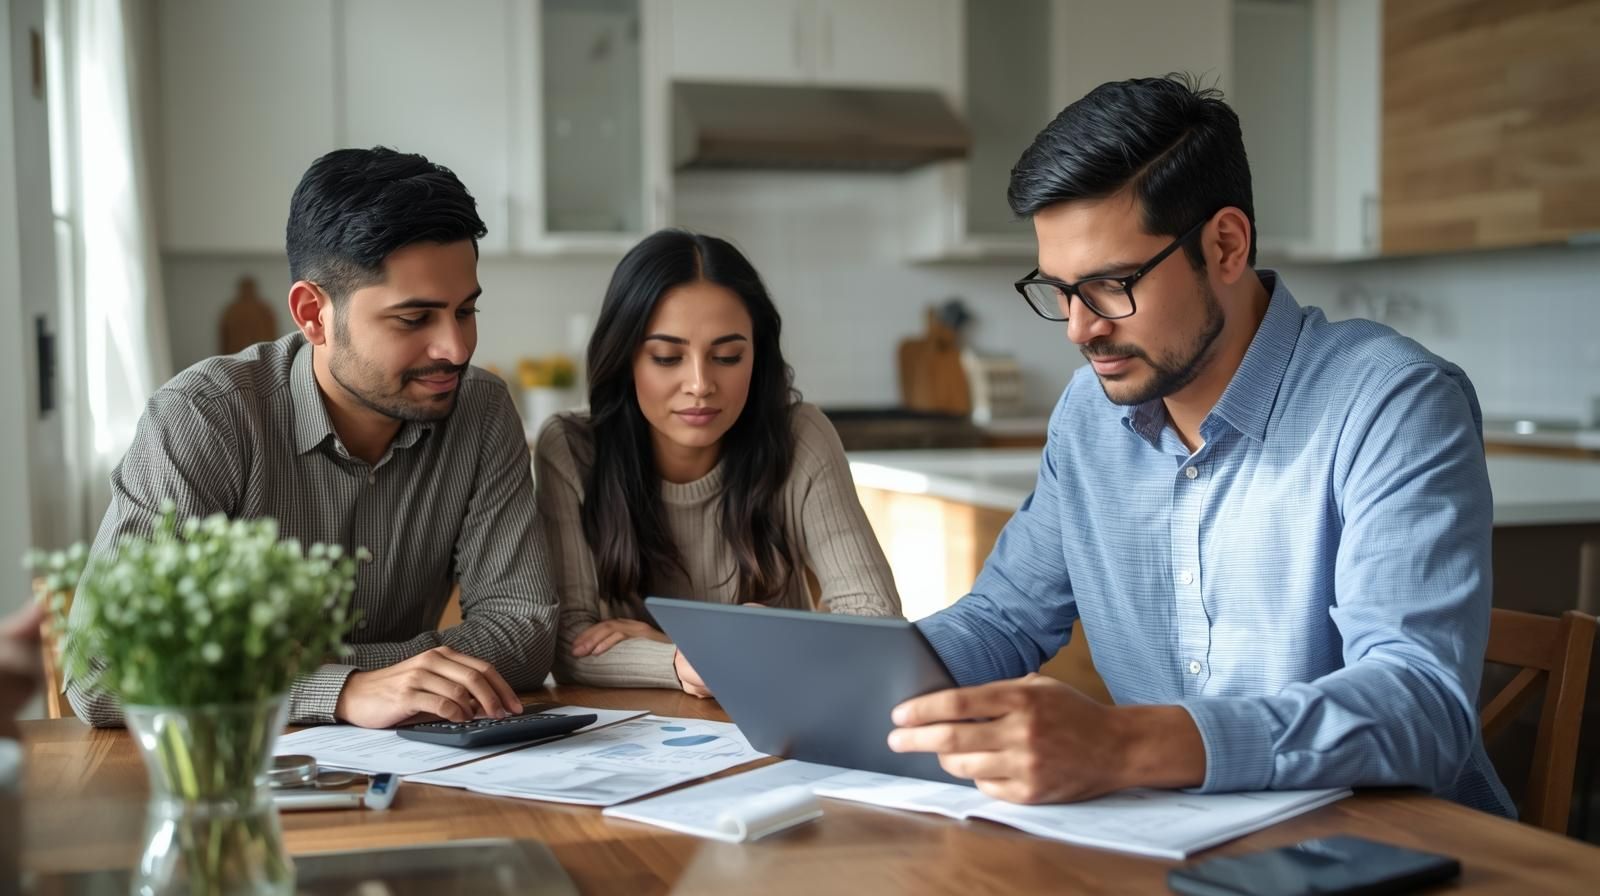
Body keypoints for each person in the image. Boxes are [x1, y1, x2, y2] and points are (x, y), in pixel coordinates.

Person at [886, 75, 1513, 817]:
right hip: (1180, 845)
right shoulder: (1089, 415)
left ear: (1224, 244)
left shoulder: (1392, 402)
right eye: (1059, 290)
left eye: (1111, 284)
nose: (1081, 329)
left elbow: (1420, 708)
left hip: (1395, 854)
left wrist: (1125, 746)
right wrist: (830, 679)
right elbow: (1002, 619)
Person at [68, 147, 558, 728]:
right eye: (413, 319)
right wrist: (341, 690)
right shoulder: (203, 418)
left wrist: (327, 674)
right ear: (313, 313)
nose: (455, 348)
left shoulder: (481, 411)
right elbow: (102, 671)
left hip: (415, 774)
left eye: (466, 311)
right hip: (232, 778)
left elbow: (523, 633)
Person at [535, 229, 901, 696]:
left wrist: (676, 648)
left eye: (727, 357)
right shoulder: (571, 449)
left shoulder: (800, 437)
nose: (700, 384)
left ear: (757, 356)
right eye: (667, 358)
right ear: (626, 360)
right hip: (639, 736)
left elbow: (878, 626)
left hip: (783, 714)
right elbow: (569, 646)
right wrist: (688, 657)